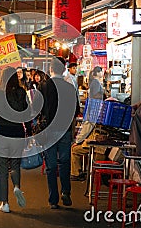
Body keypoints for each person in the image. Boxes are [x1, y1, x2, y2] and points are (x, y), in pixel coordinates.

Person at [37, 57, 79, 209]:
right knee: (65, 162)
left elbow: (36, 109)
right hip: (65, 130)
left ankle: (53, 199)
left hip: (48, 130)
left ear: (50, 69)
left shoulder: (43, 86)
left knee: (51, 165)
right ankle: (66, 191)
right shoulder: (69, 88)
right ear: (64, 70)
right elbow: (76, 111)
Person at [0, 66, 29, 213]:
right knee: (15, 164)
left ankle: (5, 203)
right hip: (17, 131)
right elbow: (26, 112)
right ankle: (17, 187)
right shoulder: (21, 92)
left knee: (2, 170)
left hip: (1, 131)